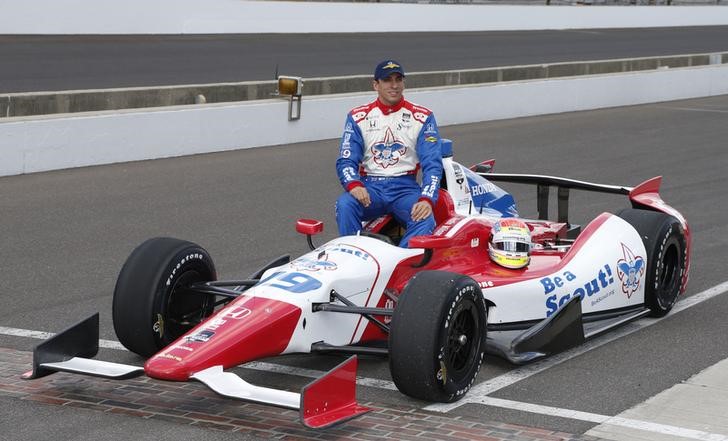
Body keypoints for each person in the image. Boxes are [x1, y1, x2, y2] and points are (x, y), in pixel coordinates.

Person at [335, 60, 443, 248]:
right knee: (345, 205)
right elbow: (346, 160)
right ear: (376, 85)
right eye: (387, 80)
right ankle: (355, 256)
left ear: (403, 83)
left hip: (406, 188)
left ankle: (399, 267)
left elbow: (432, 164)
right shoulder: (358, 116)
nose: (394, 85)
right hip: (371, 188)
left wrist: (427, 199)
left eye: (398, 79)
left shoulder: (423, 116)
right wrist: (354, 185)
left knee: (426, 219)